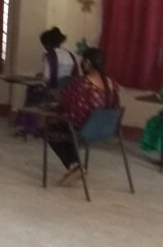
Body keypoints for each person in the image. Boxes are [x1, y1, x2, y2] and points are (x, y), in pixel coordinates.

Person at [45, 48, 121, 185]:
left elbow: (68, 106)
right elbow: (115, 107)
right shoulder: (113, 84)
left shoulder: (83, 83)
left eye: (83, 61)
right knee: (64, 127)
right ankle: (75, 165)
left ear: (88, 63)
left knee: (52, 129)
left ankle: (74, 165)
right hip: (106, 131)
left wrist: (54, 109)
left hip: (84, 131)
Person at [16, 27, 78, 137]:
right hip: (68, 92)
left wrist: (37, 78)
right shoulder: (70, 55)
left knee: (31, 92)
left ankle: (29, 127)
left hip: (53, 92)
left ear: (47, 44)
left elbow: (46, 78)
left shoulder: (50, 55)